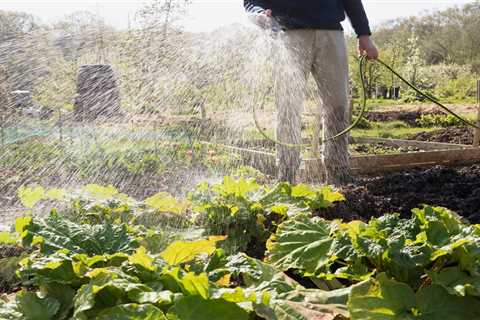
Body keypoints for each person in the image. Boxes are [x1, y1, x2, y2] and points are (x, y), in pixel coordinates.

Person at [244, 0, 378, 185]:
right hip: (288, 34)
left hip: (330, 33)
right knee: (288, 108)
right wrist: (258, 12)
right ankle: (286, 175)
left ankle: (338, 174)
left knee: (337, 106)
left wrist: (364, 34)